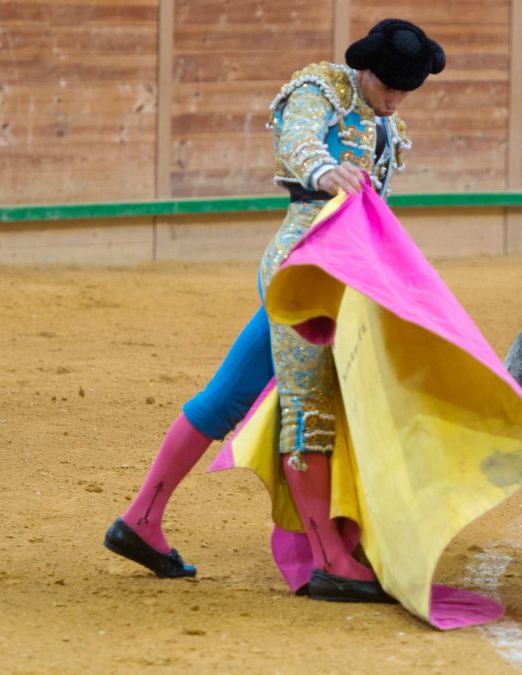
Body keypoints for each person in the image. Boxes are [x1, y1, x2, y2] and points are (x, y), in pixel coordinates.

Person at [104, 19, 445, 601]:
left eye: (404, 91)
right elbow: (299, 138)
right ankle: (330, 557)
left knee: (226, 398)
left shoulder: (390, 123)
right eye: (388, 86)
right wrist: (321, 169)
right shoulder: (321, 89)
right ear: (364, 69)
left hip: (350, 272)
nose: (394, 99)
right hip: (303, 268)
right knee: (311, 408)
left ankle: (141, 520)